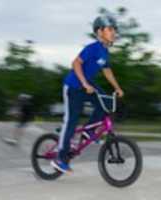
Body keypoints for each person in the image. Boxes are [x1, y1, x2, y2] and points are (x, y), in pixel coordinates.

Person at [51, 16, 124, 174]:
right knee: (71, 121)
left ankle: (88, 131)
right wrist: (84, 83)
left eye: (114, 30)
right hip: (74, 86)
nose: (114, 33)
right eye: (110, 29)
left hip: (87, 86)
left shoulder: (105, 52)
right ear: (99, 32)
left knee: (106, 103)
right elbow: (76, 63)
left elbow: (107, 70)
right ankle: (60, 158)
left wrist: (117, 87)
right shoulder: (92, 48)